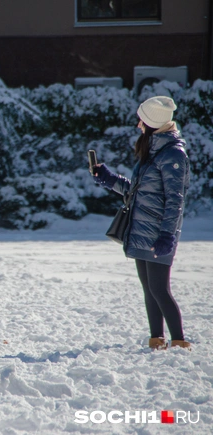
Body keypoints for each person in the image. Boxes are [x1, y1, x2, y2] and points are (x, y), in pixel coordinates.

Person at [92, 96, 191, 350]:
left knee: (160, 289)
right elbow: (137, 192)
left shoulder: (173, 155)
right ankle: (157, 339)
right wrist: (108, 178)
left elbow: (175, 200)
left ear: (153, 123)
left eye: (142, 120)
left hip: (158, 232)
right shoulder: (153, 151)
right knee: (149, 289)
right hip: (140, 229)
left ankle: (179, 342)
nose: (138, 125)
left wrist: (167, 234)